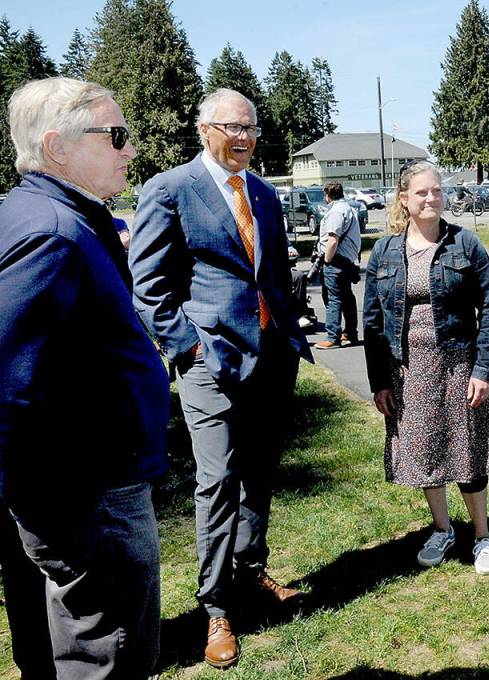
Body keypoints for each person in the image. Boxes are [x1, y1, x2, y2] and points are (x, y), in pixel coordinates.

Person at [129, 88, 314, 669]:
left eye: (252, 127)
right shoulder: (169, 189)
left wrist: (289, 329)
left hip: (270, 359)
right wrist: (189, 349)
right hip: (212, 366)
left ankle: (252, 571)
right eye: (233, 127)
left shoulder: (262, 192)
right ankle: (215, 609)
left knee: (258, 474)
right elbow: (149, 287)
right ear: (204, 128)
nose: (245, 137)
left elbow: (275, 273)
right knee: (216, 483)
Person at [0, 77, 169, 679]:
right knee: (109, 654)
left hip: (74, 484)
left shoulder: (49, 213)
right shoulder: (50, 232)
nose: (130, 149)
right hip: (86, 491)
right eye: (116, 135)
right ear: (57, 147)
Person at [363, 161, 489, 576]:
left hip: (459, 362)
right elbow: (371, 321)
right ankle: (442, 529)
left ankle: (482, 535)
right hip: (407, 369)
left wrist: (484, 369)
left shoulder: (466, 244)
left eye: (436, 191)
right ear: (404, 199)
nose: (430, 198)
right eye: (421, 192)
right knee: (424, 451)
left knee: (467, 449)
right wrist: (378, 381)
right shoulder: (386, 251)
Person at [314, 182, 361, 349]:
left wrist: (326, 260)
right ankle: (350, 333)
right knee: (347, 297)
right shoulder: (348, 208)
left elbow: (333, 239)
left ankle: (333, 337)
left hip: (336, 260)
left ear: (327, 196)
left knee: (333, 299)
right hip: (346, 260)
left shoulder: (336, 212)